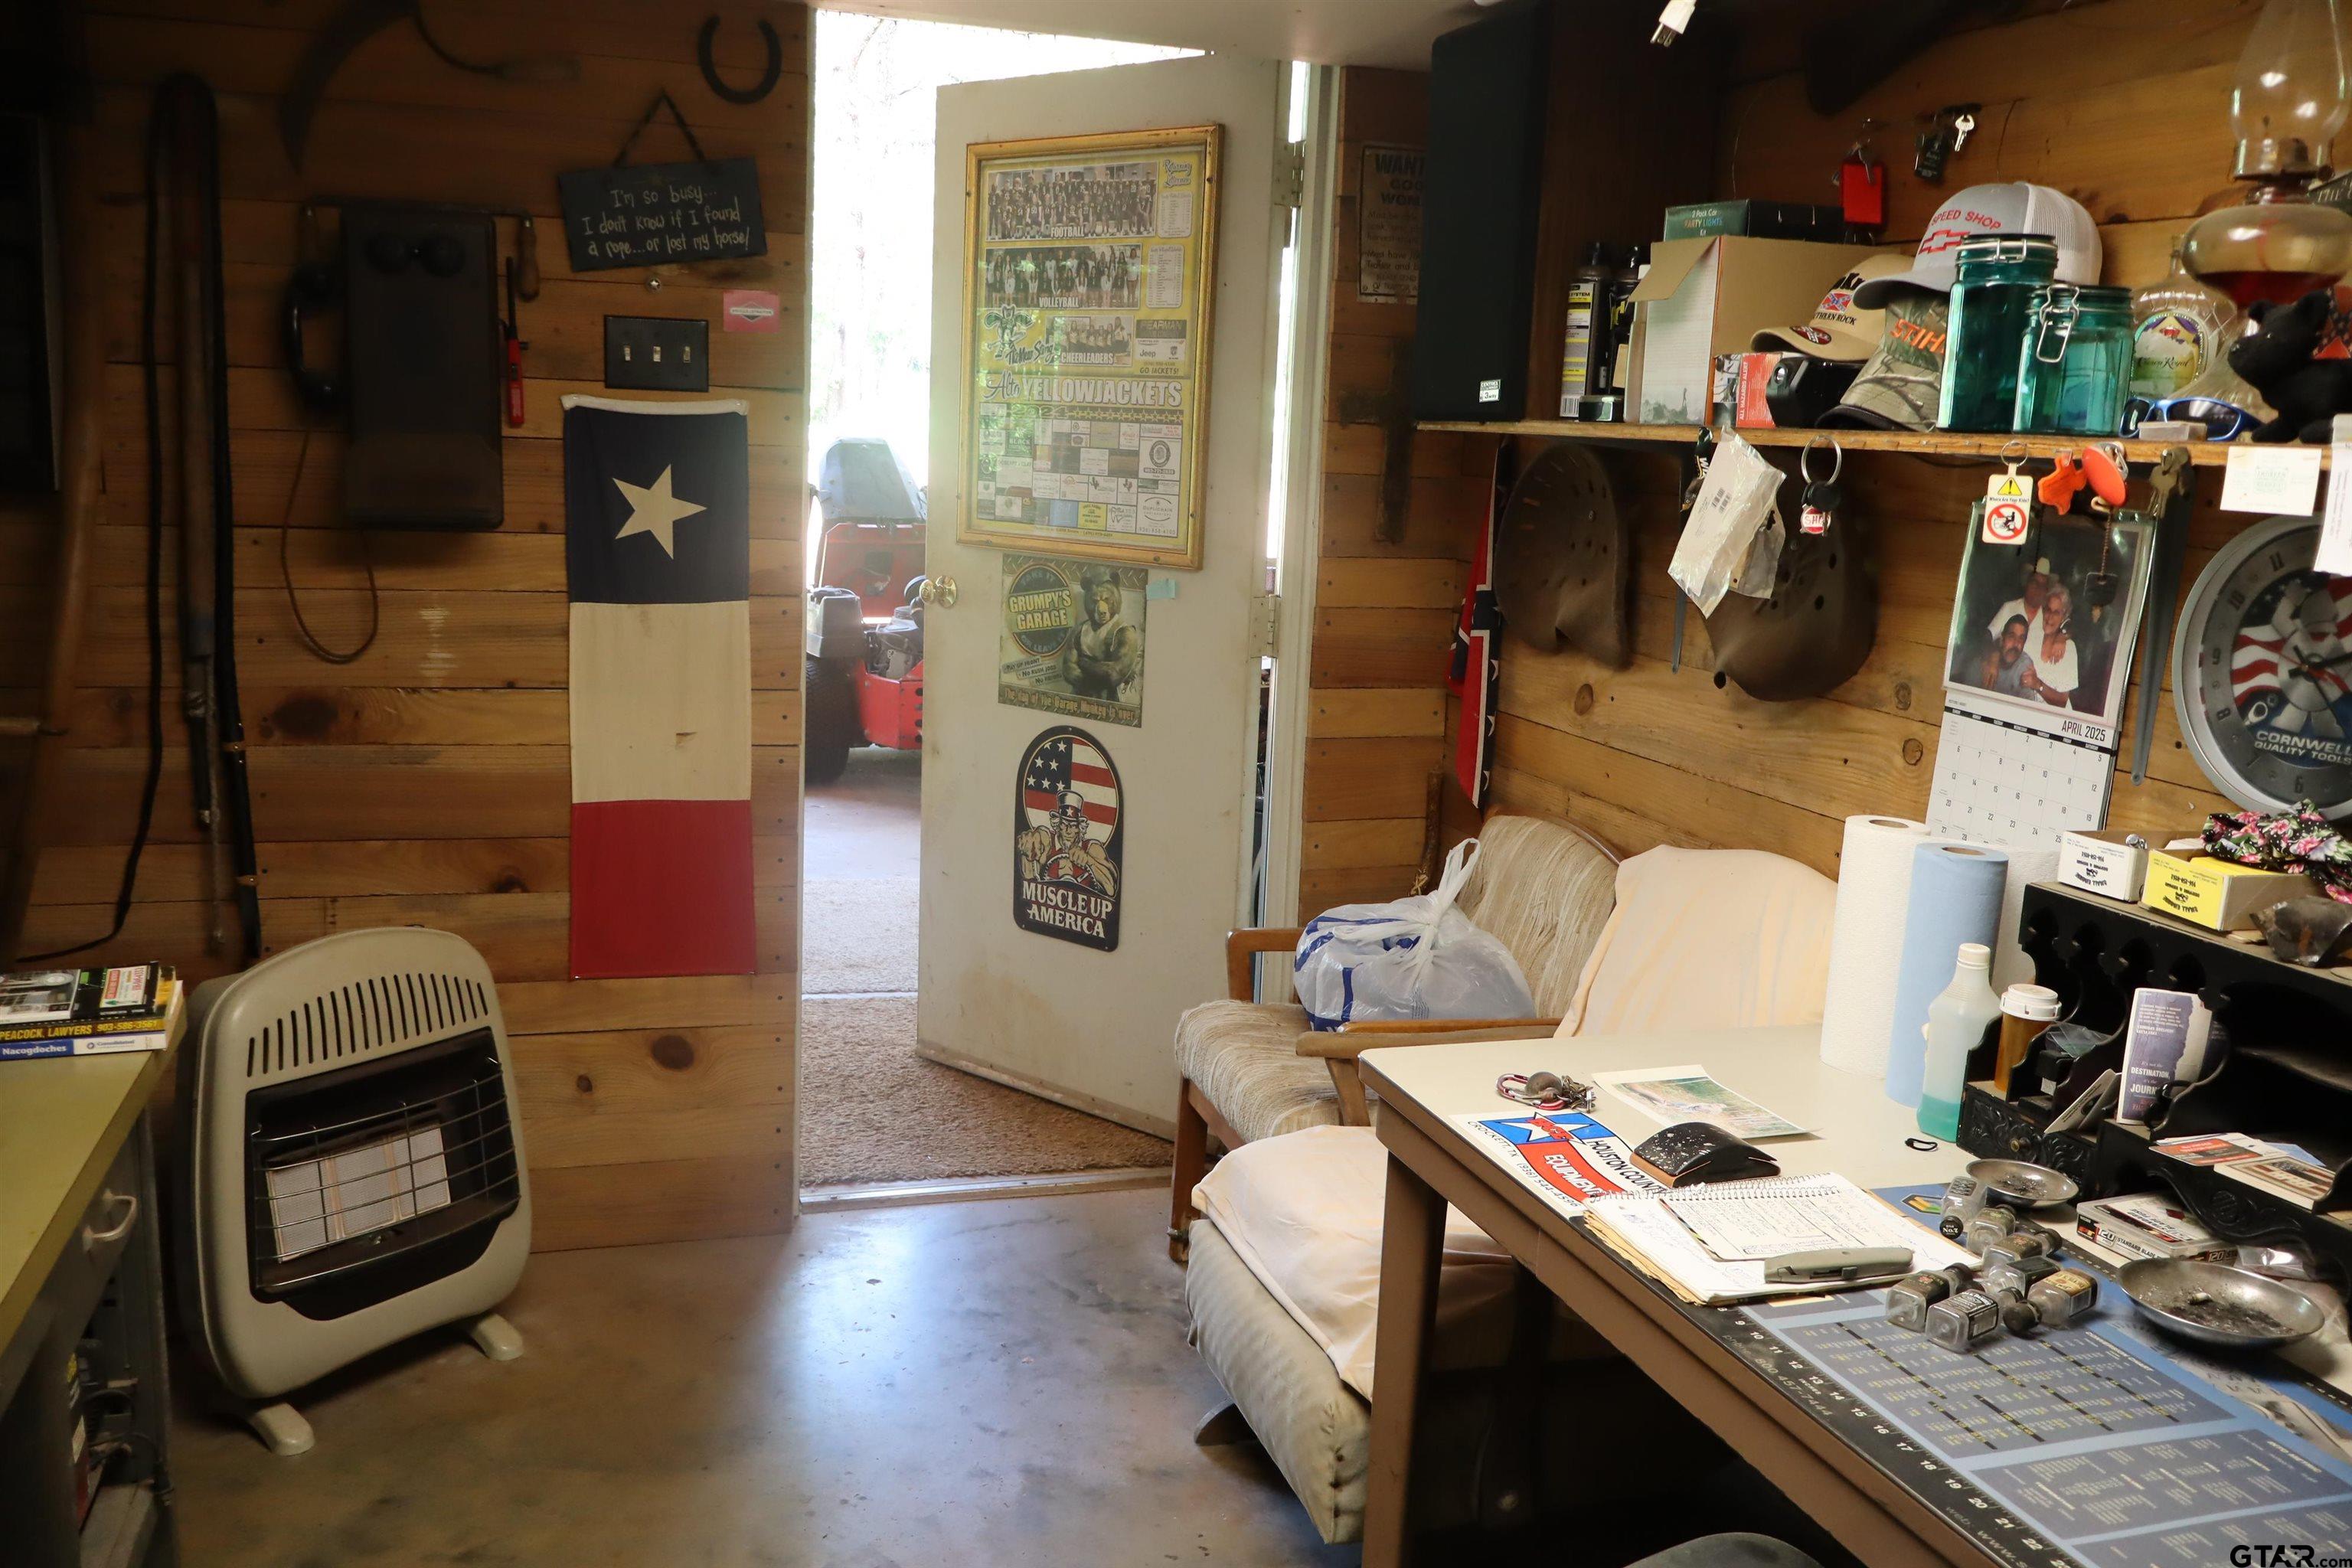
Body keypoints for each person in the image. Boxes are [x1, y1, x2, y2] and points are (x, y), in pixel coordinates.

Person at [1017, 789, 1117, 896]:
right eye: (1064, 824)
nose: (1068, 831)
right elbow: (1039, 839)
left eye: (1073, 826)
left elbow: (1111, 890)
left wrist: (1089, 860)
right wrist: (1030, 845)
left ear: (1079, 828)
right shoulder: (1047, 840)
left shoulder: (1091, 848)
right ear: (1058, 824)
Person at [1064, 567, 1142, 701]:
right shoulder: (1080, 630)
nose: (1101, 608)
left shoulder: (1125, 632)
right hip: (1081, 698)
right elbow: (1068, 669)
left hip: (1111, 702)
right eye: (1095, 601)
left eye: (1107, 600)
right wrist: (1096, 673)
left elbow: (1113, 675)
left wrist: (1083, 663)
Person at [2018, 577, 2080, 707]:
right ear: (2043, 610)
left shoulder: (2069, 649)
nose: (2050, 617)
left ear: (2064, 617)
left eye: (2056, 613)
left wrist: (2038, 685)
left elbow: (2062, 701)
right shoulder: (2030, 635)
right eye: (2048, 610)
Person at [1980, 613, 2034, 698]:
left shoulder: (2025, 666)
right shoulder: (1985, 660)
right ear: (2002, 638)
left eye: (2021, 638)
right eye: (2012, 636)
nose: (2016, 643)